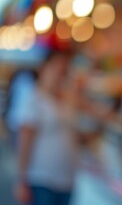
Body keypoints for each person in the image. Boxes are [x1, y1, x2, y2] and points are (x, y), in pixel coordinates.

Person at [14, 49, 79, 205]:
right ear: (44, 68)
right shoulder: (33, 98)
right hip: (41, 179)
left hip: (66, 180)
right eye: (56, 67)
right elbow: (25, 141)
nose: (59, 73)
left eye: (63, 69)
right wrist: (21, 180)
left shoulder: (66, 99)